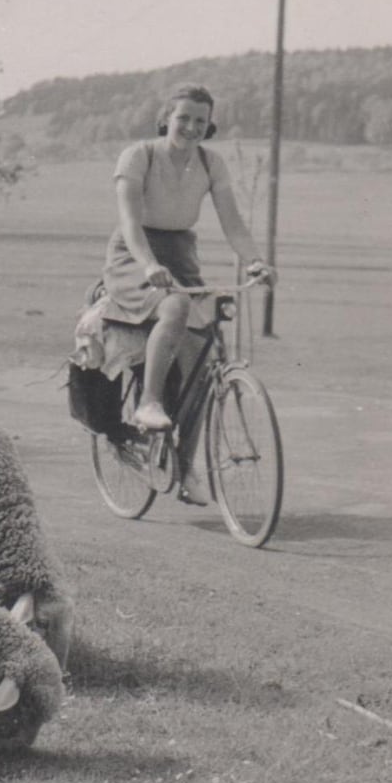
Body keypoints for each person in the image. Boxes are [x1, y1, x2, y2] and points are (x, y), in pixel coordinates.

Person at [100, 83, 274, 506]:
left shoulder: (211, 163)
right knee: (176, 306)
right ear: (166, 119)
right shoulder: (138, 156)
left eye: (201, 121)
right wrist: (148, 266)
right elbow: (129, 222)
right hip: (132, 254)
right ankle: (149, 402)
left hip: (180, 254)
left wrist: (254, 260)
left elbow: (233, 223)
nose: (192, 127)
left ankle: (183, 464)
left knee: (204, 356)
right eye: (183, 119)